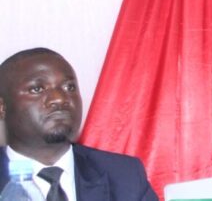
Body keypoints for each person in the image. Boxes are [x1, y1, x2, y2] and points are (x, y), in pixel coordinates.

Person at [0, 47, 158, 200]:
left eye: (69, 87)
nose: (60, 98)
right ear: (2, 107)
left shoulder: (123, 175)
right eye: (37, 89)